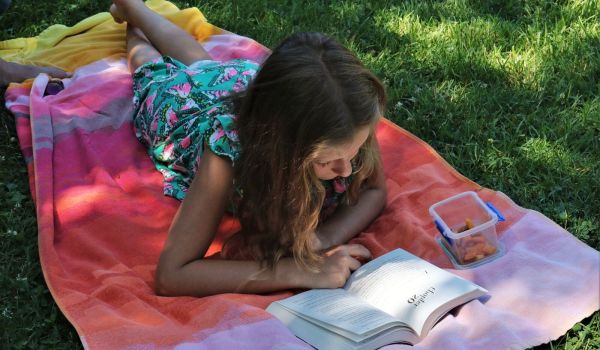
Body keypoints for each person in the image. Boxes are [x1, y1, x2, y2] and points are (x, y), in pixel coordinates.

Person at [108, 0, 387, 297]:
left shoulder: (347, 118)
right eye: (327, 161)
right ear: (280, 149)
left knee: (205, 65)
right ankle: (132, 19)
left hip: (235, 82)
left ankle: (134, 7)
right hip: (181, 114)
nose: (347, 169)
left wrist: (323, 238)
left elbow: (374, 190)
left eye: (353, 153)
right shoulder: (226, 156)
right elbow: (171, 275)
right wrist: (299, 270)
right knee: (154, 73)